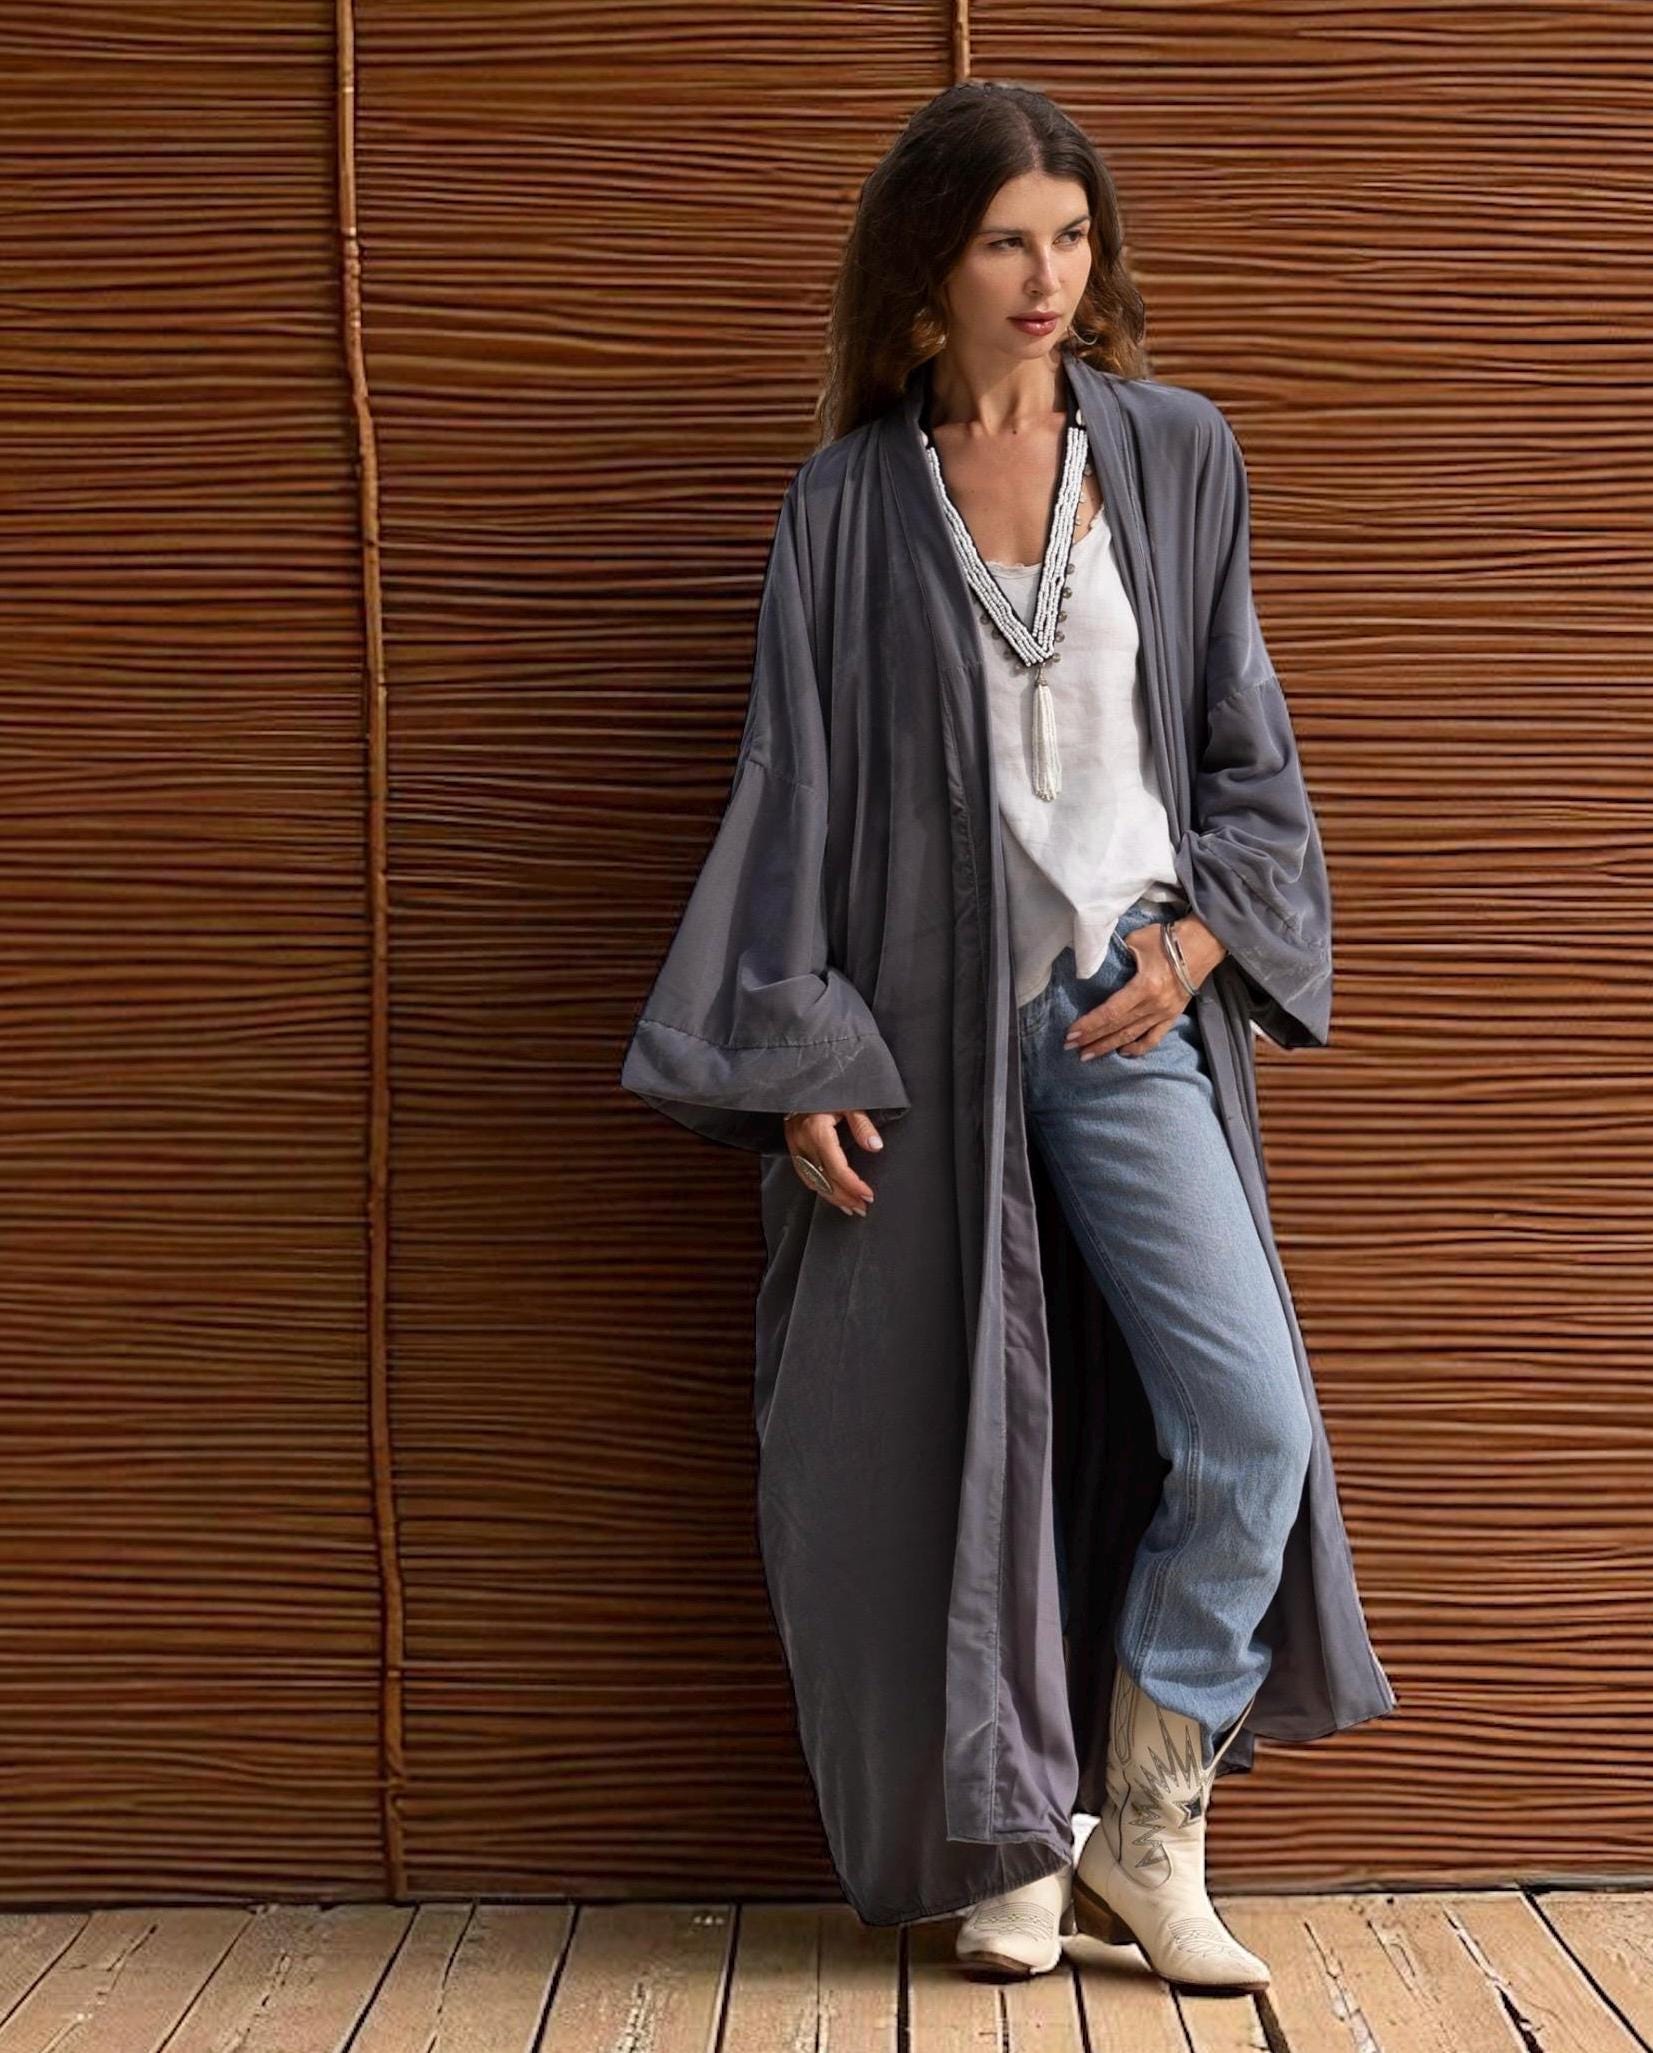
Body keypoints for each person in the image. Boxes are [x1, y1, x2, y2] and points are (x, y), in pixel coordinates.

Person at [620, 79, 1397, 1992]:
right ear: (931, 264)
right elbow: (789, 799)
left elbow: (1244, 751)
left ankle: (1148, 1814)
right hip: (920, 1047)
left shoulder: (1176, 455)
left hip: (1120, 1017)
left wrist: (1201, 937)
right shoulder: (843, 506)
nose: (1046, 277)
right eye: (1003, 242)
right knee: (963, 1449)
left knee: (1248, 1423)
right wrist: (797, 1060)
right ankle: (1017, 1841)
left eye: (1068, 237)